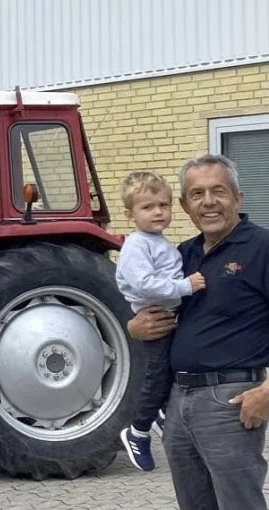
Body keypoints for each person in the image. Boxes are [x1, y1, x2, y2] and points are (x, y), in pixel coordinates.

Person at [126, 154, 269, 510]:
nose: (208, 202)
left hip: (232, 401)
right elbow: (153, 304)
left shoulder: (262, 248)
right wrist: (134, 327)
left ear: (238, 197)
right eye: (197, 194)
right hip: (178, 401)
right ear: (185, 205)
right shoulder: (181, 255)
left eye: (218, 191)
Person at [116, 171, 206, 471]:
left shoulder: (159, 242)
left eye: (163, 205)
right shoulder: (137, 246)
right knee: (156, 376)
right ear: (130, 214)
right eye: (148, 207)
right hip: (155, 318)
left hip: (168, 316)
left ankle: (159, 412)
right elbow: (144, 284)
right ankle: (137, 432)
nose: (158, 212)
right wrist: (185, 286)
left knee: (169, 370)